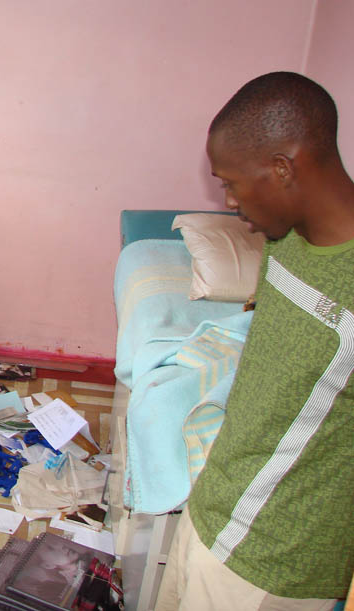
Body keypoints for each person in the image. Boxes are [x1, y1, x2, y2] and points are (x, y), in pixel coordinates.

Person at [155, 72, 354, 610]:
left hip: (273, 565)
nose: (230, 201)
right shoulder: (286, 240)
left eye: (232, 183)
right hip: (213, 505)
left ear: (282, 169)